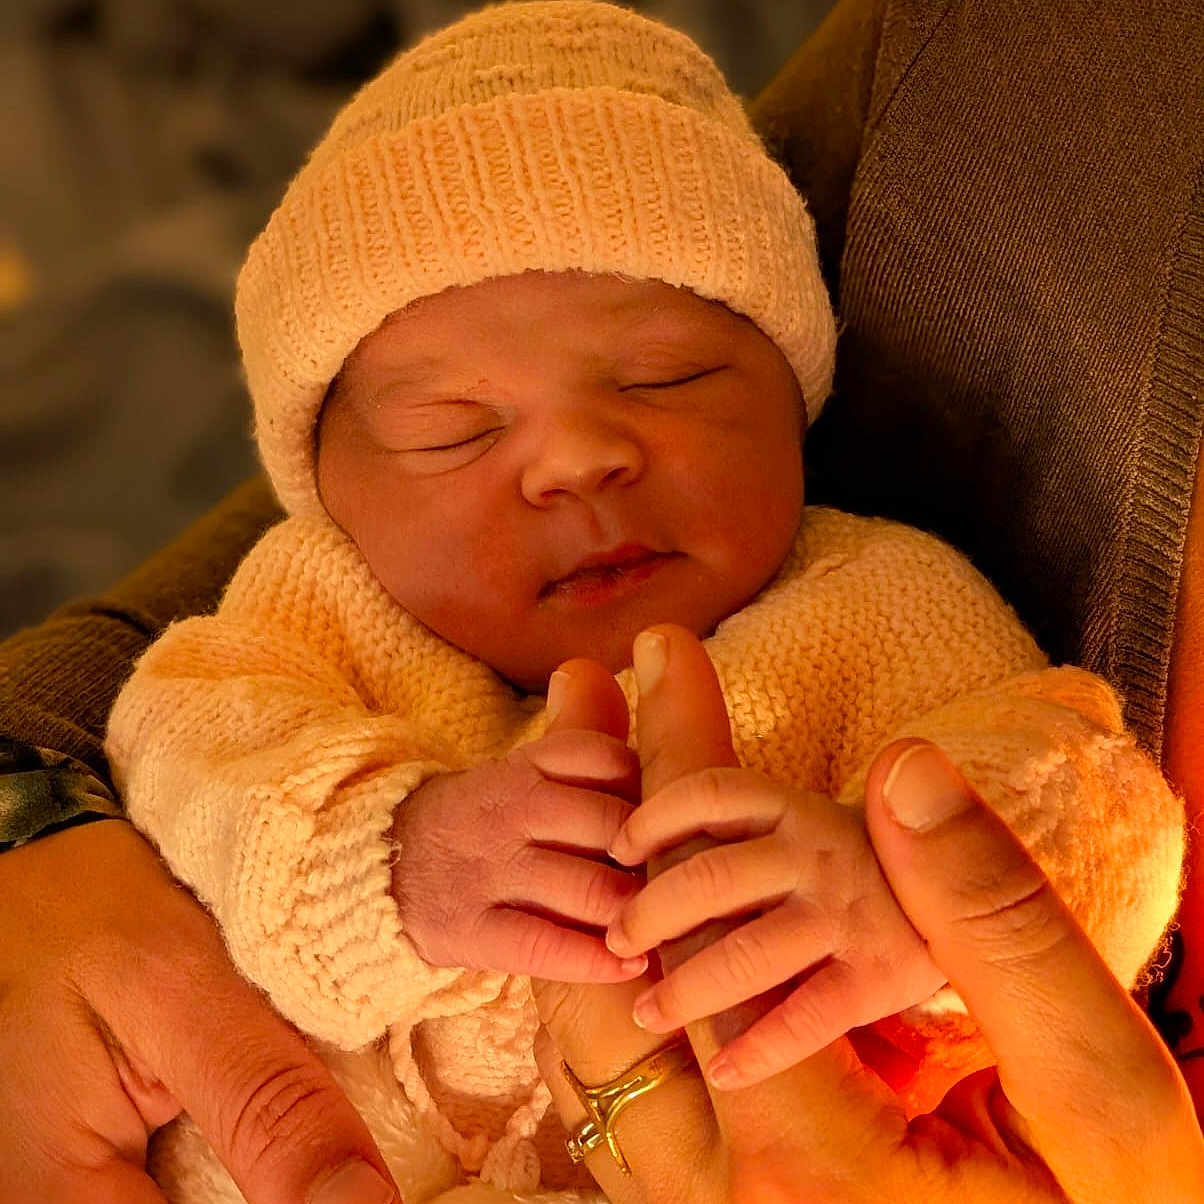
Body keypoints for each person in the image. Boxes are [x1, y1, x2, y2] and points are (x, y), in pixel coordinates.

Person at [0, 0, 1199, 1202]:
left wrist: (904, 903)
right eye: (451, 431)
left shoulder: (879, 602)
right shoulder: (315, 608)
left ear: (797, 394)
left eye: (666, 376)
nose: (577, 457)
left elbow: (1086, 790)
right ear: (327, 493)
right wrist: (389, 855)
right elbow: (179, 751)